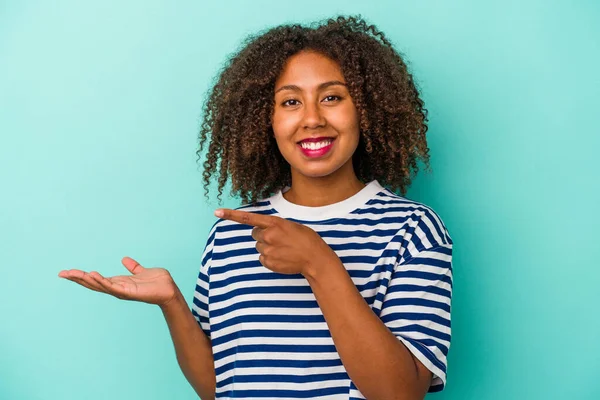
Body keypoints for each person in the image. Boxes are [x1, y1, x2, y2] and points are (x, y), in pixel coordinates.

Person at [58, 15, 453, 400]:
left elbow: (400, 393)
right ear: (265, 119)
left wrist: (318, 261)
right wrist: (172, 304)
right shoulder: (232, 233)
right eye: (290, 102)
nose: (312, 119)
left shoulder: (412, 230)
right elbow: (220, 387)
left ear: (365, 109)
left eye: (332, 97)